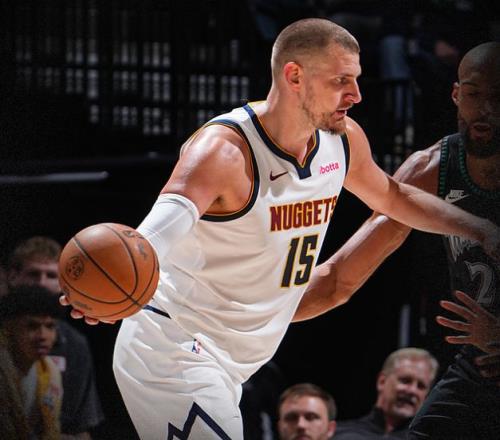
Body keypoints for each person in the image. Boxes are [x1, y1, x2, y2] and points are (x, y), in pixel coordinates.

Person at [63, 20, 500, 439]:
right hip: (173, 350)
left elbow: (394, 196)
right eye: (341, 81)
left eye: (356, 79)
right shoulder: (224, 152)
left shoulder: (342, 139)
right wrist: (109, 283)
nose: (356, 94)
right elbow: (152, 236)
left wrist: (481, 228)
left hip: (232, 361)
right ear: (294, 76)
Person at [294, 42, 500, 439]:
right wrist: (250, 316)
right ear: (457, 95)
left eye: (498, 97)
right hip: (477, 366)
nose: (485, 110)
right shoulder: (431, 169)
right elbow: (339, 278)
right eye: (475, 95)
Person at [8, 236, 105, 438]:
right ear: (13, 276)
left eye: (51, 275)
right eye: (34, 274)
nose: (41, 283)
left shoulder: (74, 344)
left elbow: (80, 426)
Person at [0, 285, 64, 439]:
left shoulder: (51, 371)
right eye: (32, 326)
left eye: (50, 326)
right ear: (9, 328)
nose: (43, 335)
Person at [334, 348, 438, 439]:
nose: (412, 390)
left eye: (421, 386)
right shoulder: (336, 434)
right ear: (382, 381)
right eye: (405, 381)